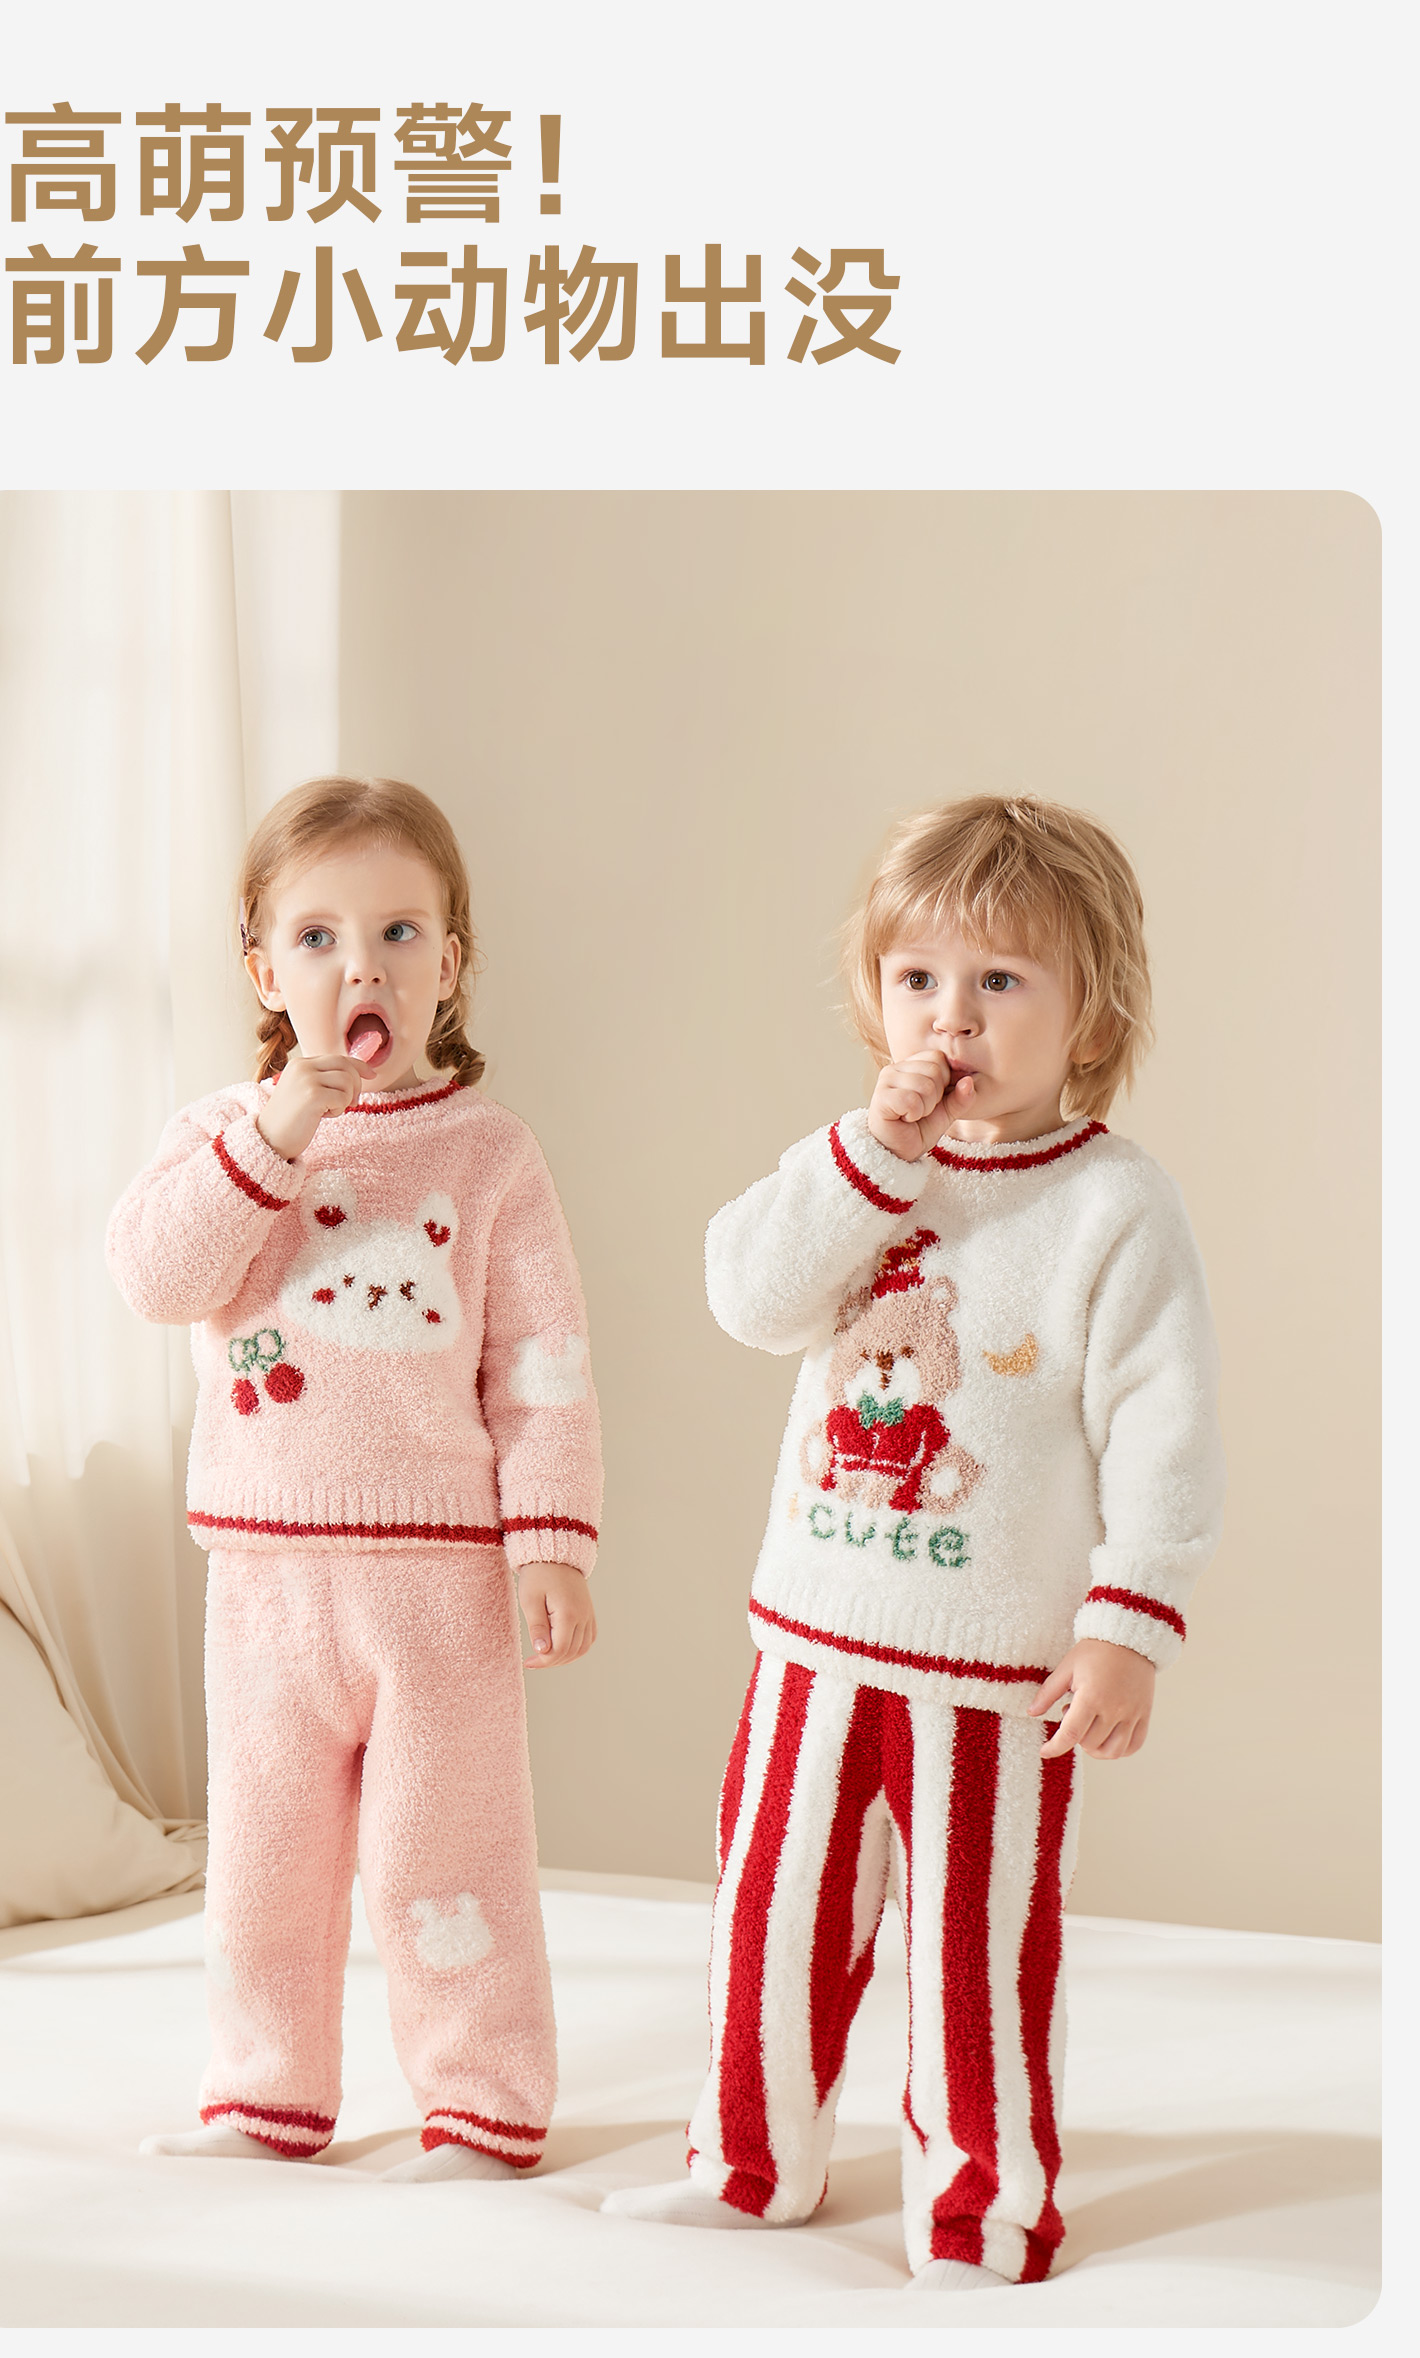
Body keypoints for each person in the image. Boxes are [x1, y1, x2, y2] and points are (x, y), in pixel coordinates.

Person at [602, 794, 1223, 2287]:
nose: (953, 1016)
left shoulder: (1116, 1206)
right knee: (772, 1917)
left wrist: (1127, 1623)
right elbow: (752, 1300)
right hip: (812, 1640)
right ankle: (747, 2162)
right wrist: (868, 1159)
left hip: (994, 1675)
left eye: (1001, 980)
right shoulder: (860, 1170)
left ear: (1090, 1013)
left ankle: (981, 2206)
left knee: (975, 1948)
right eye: (918, 978)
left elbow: (1166, 1428)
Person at [107, 775, 601, 2180]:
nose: (361, 967)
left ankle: (485, 2100)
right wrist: (275, 1136)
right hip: (268, 1577)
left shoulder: (491, 1153)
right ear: (265, 970)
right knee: (266, 1858)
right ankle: (263, 2097)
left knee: (450, 1851)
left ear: (451, 963)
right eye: (318, 937)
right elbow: (157, 1276)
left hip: (439, 1584)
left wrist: (550, 1540)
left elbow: (540, 1364)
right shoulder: (222, 1135)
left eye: (398, 933)